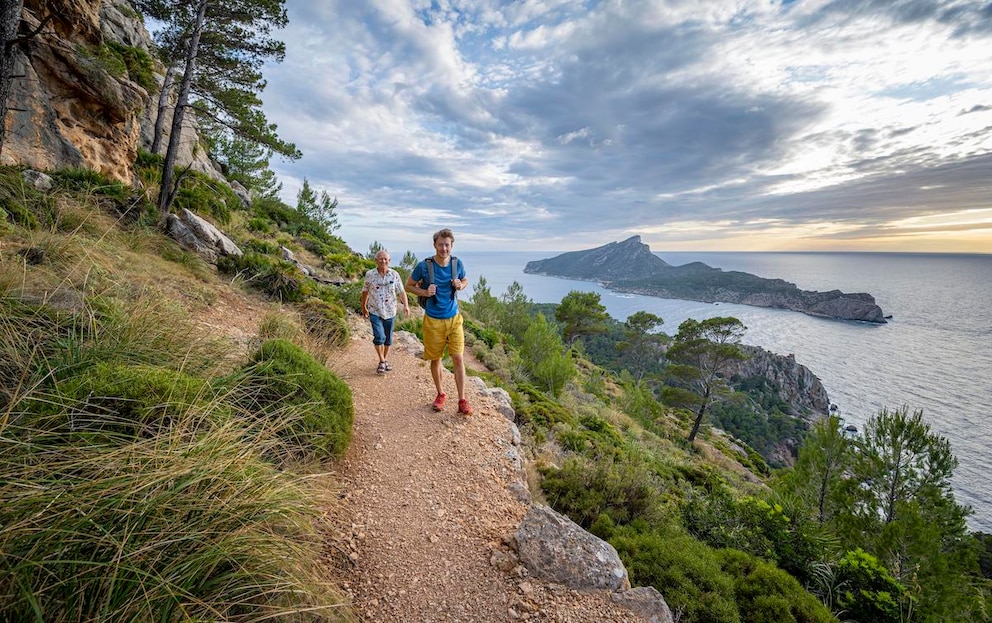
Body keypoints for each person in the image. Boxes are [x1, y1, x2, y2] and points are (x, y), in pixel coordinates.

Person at [405, 228, 472, 415]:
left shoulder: (457, 264)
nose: (444, 248)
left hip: (454, 319)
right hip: (433, 320)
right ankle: (441, 394)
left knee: (458, 358)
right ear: (435, 245)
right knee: (436, 360)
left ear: (452, 246)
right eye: (441, 245)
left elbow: (465, 279)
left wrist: (461, 284)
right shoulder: (424, 266)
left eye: (447, 245)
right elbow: (408, 286)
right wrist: (425, 292)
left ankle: (462, 400)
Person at [361, 249, 409, 374]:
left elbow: (401, 291)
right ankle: (382, 361)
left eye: (385, 259)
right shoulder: (370, 274)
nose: (383, 261)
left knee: (388, 339)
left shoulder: (394, 275)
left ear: (389, 261)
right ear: (376, 260)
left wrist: (406, 305)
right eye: (380, 259)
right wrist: (363, 306)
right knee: (379, 337)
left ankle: (385, 359)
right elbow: (365, 291)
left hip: (390, 310)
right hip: (374, 310)